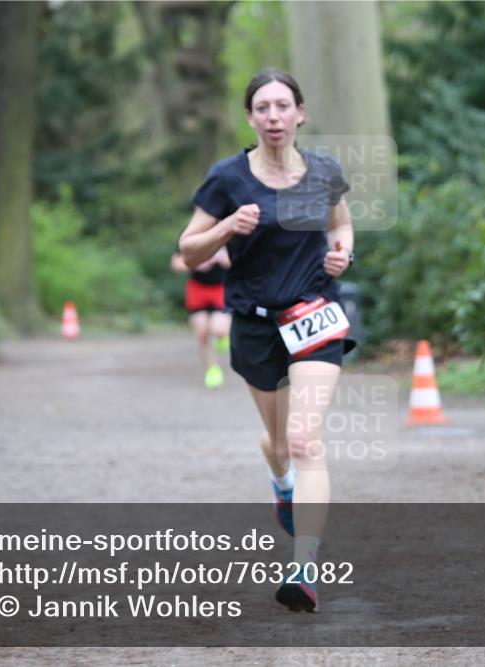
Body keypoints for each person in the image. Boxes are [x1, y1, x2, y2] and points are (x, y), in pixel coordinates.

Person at [179, 68, 354, 613]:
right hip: (255, 323)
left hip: (314, 314)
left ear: (301, 113)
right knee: (278, 442)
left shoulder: (324, 171)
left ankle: (304, 568)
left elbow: (342, 225)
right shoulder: (228, 178)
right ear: (251, 118)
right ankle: (281, 483)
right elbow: (189, 251)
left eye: (283, 106)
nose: (274, 116)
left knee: (306, 440)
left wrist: (342, 254)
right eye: (263, 108)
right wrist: (227, 227)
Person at [170, 246, 232, 388]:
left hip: (221, 288)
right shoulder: (192, 232)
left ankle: (222, 337)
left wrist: (226, 260)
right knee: (201, 331)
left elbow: (247, 262)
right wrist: (196, 264)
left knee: (219, 329)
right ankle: (213, 369)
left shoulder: (231, 230)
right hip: (197, 289)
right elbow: (176, 264)